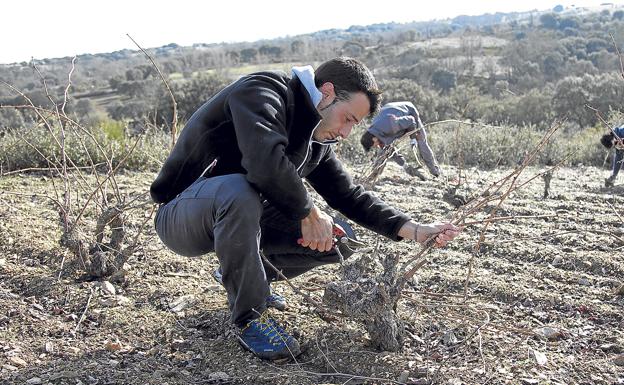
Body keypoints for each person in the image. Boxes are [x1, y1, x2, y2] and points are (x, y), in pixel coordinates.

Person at [150, 57, 461, 361]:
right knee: (239, 191)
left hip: (240, 220)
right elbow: (263, 163)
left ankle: (245, 277)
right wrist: (309, 213)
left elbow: (348, 195)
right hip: (181, 214)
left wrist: (415, 230)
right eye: (348, 119)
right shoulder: (263, 91)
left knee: (339, 239)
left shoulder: (316, 140)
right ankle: (250, 318)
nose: (345, 133)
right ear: (326, 93)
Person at [360, 101, 441, 180]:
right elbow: (390, 151)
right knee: (383, 151)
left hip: (409, 112)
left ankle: (435, 172)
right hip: (390, 114)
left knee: (421, 142)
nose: (375, 146)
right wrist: (406, 167)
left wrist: (413, 138)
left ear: (374, 139)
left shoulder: (390, 125)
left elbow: (411, 120)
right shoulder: (375, 132)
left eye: (373, 145)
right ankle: (374, 175)